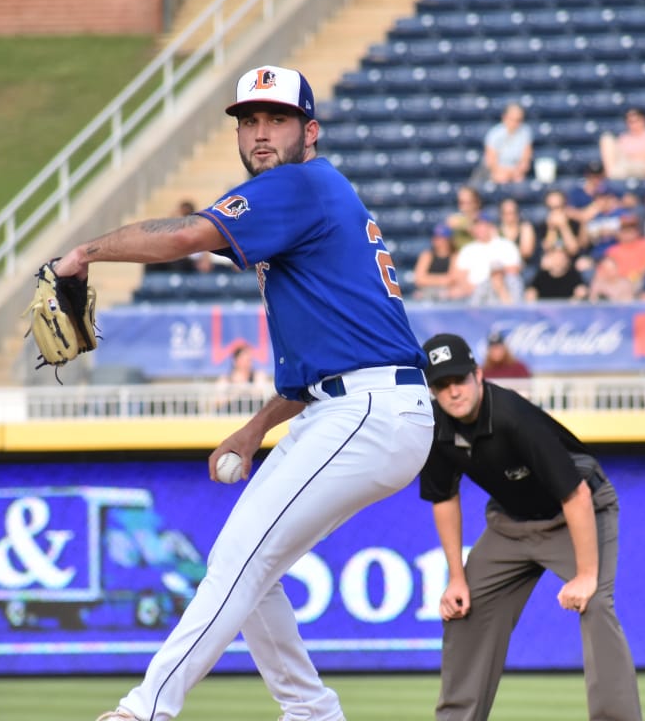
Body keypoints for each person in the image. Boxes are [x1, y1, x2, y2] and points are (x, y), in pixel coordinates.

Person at [51, 65, 436, 721]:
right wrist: (255, 428)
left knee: (240, 558)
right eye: (249, 121)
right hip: (354, 404)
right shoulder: (307, 201)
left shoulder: (299, 183)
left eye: (277, 119)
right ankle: (312, 713)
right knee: (249, 564)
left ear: (308, 131)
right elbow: (322, 359)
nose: (260, 133)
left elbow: (181, 237)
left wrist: (83, 253)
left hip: (369, 408)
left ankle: (145, 709)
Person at [417, 333, 642, 721]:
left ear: (478, 374)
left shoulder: (511, 416)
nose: (453, 392)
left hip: (577, 513)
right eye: (441, 385)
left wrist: (587, 575)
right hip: (510, 525)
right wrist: (457, 577)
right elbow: (444, 497)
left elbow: (575, 495)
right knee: (463, 608)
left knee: (596, 604)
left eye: (459, 379)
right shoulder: (436, 426)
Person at [457, 211, 526, 304]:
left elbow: (514, 269)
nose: (480, 229)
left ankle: (512, 310)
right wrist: (470, 288)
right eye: (477, 225)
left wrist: (496, 275)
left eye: (483, 225)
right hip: (474, 290)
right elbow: (461, 275)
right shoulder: (467, 249)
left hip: (500, 288)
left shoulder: (505, 245)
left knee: (509, 280)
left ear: (491, 227)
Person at [599, 108, 645, 180]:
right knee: (606, 138)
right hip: (626, 167)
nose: (634, 124)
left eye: (637, 121)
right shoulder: (624, 138)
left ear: (644, 120)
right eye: (630, 122)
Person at [480, 103, 534, 184]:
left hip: (517, 173)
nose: (515, 123)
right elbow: (491, 161)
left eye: (519, 120)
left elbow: (525, 160)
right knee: (501, 178)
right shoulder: (494, 134)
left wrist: (516, 172)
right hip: (498, 172)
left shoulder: (526, 132)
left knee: (519, 180)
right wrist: (505, 172)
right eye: (512, 119)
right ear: (504, 117)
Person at [601, 214, 645, 286]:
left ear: (637, 231)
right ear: (618, 232)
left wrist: (635, 276)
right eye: (624, 229)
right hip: (619, 285)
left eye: (632, 228)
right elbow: (603, 272)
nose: (628, 232)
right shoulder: (612, 251)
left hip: (643, 282)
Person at [415, 224, 465, 301]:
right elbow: (419, 279)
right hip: (428, 292)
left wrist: (429, 279)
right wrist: (443, 280)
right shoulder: (427, 256)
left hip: (447, 294)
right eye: (435, 237)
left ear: (448, 240)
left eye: (441, 238)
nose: (437, 241)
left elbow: (452, 279)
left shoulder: (455, 256)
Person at [496, 196, 539, 267]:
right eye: (506, 213)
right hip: (502, 268)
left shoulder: (525, 227)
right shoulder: (496, 230)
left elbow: (526, 253)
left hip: (522, 266)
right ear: (501, 215)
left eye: (513, 212)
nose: (510, 216)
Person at [446, 185, 486, 250]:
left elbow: (482, 233)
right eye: (461, 202)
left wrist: (467, 226)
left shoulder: (483, 217)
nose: (465, 207)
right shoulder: (457, 217)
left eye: (468, 202)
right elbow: (450, 223)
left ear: (477, 202)